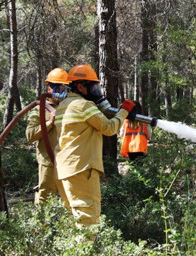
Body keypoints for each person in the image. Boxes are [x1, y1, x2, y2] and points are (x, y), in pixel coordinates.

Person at [54, 63, 135, 225]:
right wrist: (124, 110)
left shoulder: (63, 106)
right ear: (80, 87)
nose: (97, 92)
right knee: (88, 218)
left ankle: (74, 250)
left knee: (74, 217)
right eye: (94, 87)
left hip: (64, 170)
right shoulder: (84, 106)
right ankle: (86, 250)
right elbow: (109, 128)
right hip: (82, 169)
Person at [25, 68, 69, 205]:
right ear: (49, 88)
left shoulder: (69, 107)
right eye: (58, 87)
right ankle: (42, 225)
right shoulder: (40, 109)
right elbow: (30, 135)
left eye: (65, 88)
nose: (62, 92)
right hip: (48, 161)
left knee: (69, 197)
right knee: (45, 197)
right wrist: (50, 122)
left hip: (67, 160)